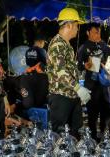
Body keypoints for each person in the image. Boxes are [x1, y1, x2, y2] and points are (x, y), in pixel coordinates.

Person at [47, 7, 89, 137]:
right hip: (61, 98)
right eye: (77, 25)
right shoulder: (57, 45)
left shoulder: (66, 45)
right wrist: (78, 88)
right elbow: (61, 72)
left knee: (76, 134)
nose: (77, 29)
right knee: (59, 138)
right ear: (69, 25)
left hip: (71, 96)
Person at [77, 22, 110, 140]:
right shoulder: (83, 47)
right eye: (95, 32)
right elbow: (78, 65)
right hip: (91, 85)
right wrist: (85, 65)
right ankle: (92, 138)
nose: (98, 34)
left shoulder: (103, 45)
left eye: (99, 32)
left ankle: (104, 134)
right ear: (88, 33)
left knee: (106, 110)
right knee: (92, 113)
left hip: (104, 85)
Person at [19, 34, 49, 110]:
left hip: (28, 76)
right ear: (40, 42)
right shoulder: (42, 51)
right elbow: (46, 63)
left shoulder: (28, 51)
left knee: (30, 97)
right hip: (40, 76)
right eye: (43, 42)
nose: (43, 44)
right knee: (40, 99)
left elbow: (27, 63)